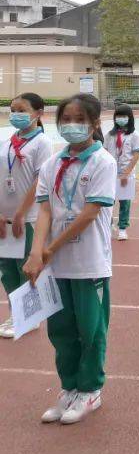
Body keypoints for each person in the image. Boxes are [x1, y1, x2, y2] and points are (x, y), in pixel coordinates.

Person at [24, 94, 116, 424]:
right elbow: (45, 208)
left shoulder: (103, 161)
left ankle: (90, 390)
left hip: (89, 261)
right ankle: (69, 388)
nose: (71, 125)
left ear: (94, 124)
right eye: (66, 119)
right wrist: (37, 252)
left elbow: (90, 213)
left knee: (90, 329)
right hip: (57, 265)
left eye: (79, 119)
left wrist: (51, 248)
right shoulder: (52, 164)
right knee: (60, 330)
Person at [0, 92, 52, 339]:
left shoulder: (42, 143)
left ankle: (30, 317)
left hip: (27, 217)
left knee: (26, 268)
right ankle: (15, 313)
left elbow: (39, 180)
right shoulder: (7, 142)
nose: (15, 115)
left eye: (21, 110)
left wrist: (21, 213)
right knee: (7, 270)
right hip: (5, 219)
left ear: (38, 113)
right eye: (12, 110)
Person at [104, 103, 139, 242]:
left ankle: (122, 228)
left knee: (125, 203)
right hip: (111, 174)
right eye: (118, 116)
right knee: (108, 202)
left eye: (124, 116)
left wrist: (126, 173)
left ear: (129, 118)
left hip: (127, 174)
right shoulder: (109, 135)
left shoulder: (134, 135)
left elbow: (136, 155)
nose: (121, 119)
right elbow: (105, 153)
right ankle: (108, 226)